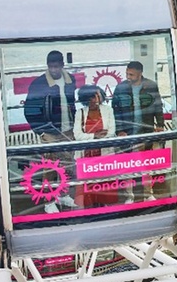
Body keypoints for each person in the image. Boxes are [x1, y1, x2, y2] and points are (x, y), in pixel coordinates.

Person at [23, 50, 78, 213]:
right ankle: (49, 200)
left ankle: (62, 194)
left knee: (67, 165)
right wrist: (41, 131)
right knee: (50, 167)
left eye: (56, 66)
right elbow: (29, 110)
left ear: (62, 65)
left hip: (68, 130)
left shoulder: (71, 80)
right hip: (49, 132)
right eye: (50, 67)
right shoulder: (39, 84)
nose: (53, 70)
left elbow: (72, 104)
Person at [111, 61, 165, 201]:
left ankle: (148, 194)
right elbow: (115, 110)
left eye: (131, 74)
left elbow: (158, 106)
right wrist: (120, 130)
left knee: (146, 165)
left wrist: (160, 124)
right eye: (127, 73)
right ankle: (130, 195)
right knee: (129, 166)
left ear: (140, 73)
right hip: (127, 133)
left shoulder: (151, 85)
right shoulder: (120, 87)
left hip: (145, 131)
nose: (128, 77)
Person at [73, 85, 118, 207]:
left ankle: (104, 208)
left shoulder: (108, 110)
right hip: (86, 157)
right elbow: (77, 135)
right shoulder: (80, 113)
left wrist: (92, 136)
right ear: (86, 99)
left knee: (105, 185)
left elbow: (111, 132)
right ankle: (91, 208)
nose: (96, 100)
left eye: (98, 96)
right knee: (88, 187)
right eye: (92, 97)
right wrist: (95, 136)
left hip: (104, 155)